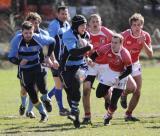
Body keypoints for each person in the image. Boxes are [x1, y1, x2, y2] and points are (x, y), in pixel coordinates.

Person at [8, 21, 59, 122]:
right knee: (32, 94)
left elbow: (52, 41)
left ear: (33, 31)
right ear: (21, 32)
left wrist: (48, 57)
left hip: (37, 66)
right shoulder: (16, 40)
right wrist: (19, 61)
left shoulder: (38, 37)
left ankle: (46, 99)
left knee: (42, 87)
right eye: (26, 33)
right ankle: (43, 114)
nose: (28, 35)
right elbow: (11, 57)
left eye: (30, 33)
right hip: (25, 70)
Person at [90, 33, 132, 125]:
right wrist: (91, 61)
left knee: (114, 103)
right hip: (109, 71)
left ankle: (108, 117)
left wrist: (120, 77)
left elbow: (129, 70)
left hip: (122, 74)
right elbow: (94, 55)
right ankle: (109, 91)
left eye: (116, 43)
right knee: (98, 94)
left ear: (121, 43)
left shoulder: (125, 54)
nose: (113, 44)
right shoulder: (106, 47)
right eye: (112, 42)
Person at [59, 15, 93, 128]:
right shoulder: (68, 35)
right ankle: (76, 117)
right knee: (70, 93)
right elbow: (73, 52)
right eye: (82, 25)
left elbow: (83, 52)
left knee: (76, 83)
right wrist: (88, 48)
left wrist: (87, 56)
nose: (85, 27)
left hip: (81, 66)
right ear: (75, 26)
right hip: (66, 67)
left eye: (85, 25)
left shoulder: (86, 35)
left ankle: (73, 112)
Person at [120, 13, 153, 121]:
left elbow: (150, 55)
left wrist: (143, 43)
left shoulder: (145, 36)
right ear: (131, 26)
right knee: (130, 88)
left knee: (138, 91)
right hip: (123, 65)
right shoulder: (124, 35)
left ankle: (128, 114)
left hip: (135, 64)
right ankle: (123, 94)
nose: (137, 27)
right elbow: (115, 47)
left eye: (139, 25)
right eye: (134, 25)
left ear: (142, 25)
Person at [82, 14, 113, 124]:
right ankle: (87, 117)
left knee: (107, 95)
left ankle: (108, 115)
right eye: (93, 21)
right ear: (89, 24)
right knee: (86, 89)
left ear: (100, 23)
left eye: (97, 21)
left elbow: (117, 42)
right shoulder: (85, 34)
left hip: (105, 66)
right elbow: (80, 49)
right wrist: (86, 58)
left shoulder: (106, 32)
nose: (95, 23)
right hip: (91, 66)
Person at [18, 12, 50, 118]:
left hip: (38, 65)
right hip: (25, 67)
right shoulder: (22, 35)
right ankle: (23, 105)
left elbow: (50, 47)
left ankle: (30, 110)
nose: (34, 25)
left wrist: (50, 59)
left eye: (36, 23)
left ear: (39, 23)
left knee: (36, 88)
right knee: (24, 90)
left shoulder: (43, 34)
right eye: (31, 23)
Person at [48, 6, 70, 116]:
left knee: (61, 84)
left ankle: (46, 97)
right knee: (60, 84)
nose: (64, 16)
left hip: (65, 60)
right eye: (62, 13)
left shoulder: (67, 25)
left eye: (66, 13)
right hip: (55, 59)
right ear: (57, 14)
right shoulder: (54, 25)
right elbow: (50, 43)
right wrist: (52, 58)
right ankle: (61, 109)